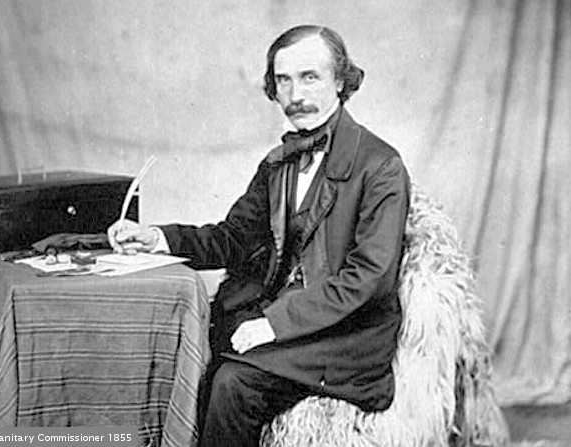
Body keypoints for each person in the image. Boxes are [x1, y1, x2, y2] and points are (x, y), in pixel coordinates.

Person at [107, 24, 410, 447]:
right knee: (186, 354)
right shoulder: (278, 163)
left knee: (233, 383)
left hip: (346, 338)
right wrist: (159, 238)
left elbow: (368, 279)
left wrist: (274, 324)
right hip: (285, 322)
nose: (295, 95)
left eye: (309, 77)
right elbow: (234, 238)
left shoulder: (381, 166)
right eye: (283, 80)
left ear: (340, 81)